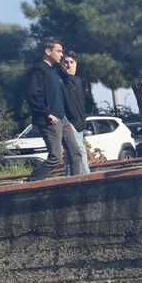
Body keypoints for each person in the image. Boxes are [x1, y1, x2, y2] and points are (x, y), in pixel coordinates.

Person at [25, 38, 82, 182]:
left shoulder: (56, 71)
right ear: (48, 51)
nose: (61, 55)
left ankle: (77, 185)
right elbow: (33, 96)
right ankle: (30, 182)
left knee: (76, 153)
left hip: (63, 119)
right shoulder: (38, 70)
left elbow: (66, 96)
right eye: (59, 51)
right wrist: (47, 114)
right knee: (55, 157)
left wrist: (71, 119)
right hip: (49, 119)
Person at [60, 51, 90, 176]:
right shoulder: (60, 82)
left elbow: (80, 103)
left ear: (75, 63)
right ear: (61, 64)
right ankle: (89, 180)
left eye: (71, 62)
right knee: (79, 152)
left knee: (72, 157)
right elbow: (59, 104)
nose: (68, 65)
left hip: (79, 123)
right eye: (65, 62)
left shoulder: (78, 81)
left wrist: (83, 121)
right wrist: (67, 122)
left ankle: (68, 182)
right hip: (69, 124)